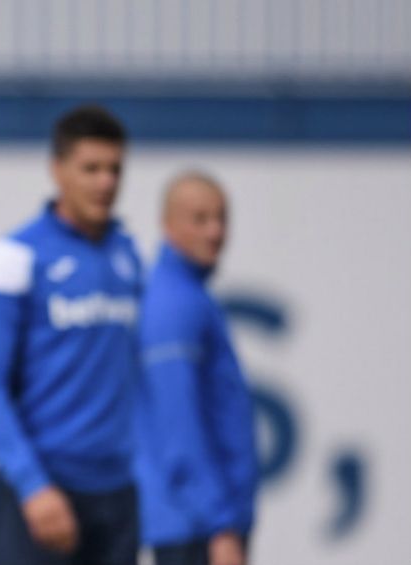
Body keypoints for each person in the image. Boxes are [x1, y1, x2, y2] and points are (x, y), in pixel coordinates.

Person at [0, 105, 142, 565]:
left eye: (114, 169)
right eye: (91, 168)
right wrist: (33, 484)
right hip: (45, 492)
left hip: (118, 493)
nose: (105, 182)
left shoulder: (127, 255)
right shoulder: (14, 257)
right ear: (57, 170)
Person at [135, 171, 259, 565]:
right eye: (200, 218)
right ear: (168, 224)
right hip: (194, 527)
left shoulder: (191, 296)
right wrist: (220, 524)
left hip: (200, 523)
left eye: (221, 217)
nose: (215, 231)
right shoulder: (175, 304)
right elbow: (178, 426)